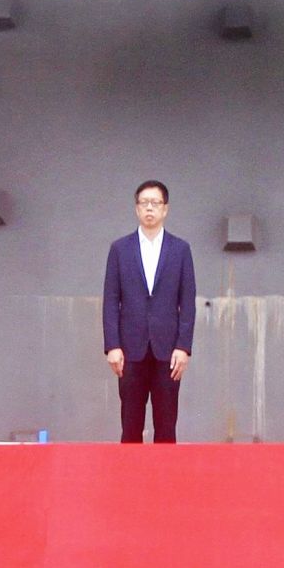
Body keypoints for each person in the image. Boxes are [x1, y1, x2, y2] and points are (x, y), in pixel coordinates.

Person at [102, 180, 197, 443]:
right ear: (136, 209)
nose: (149, 208)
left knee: (166, 428)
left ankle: (165, 472)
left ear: (165, 209)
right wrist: (112, 346)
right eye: (144, 203)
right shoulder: (120, 249)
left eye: (155, 203)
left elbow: (187, 301)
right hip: (130, 351)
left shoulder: (180, 249)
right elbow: (111, 300)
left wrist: (183, 347)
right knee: (130, 426)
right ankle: (129, 472)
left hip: (168, 352)